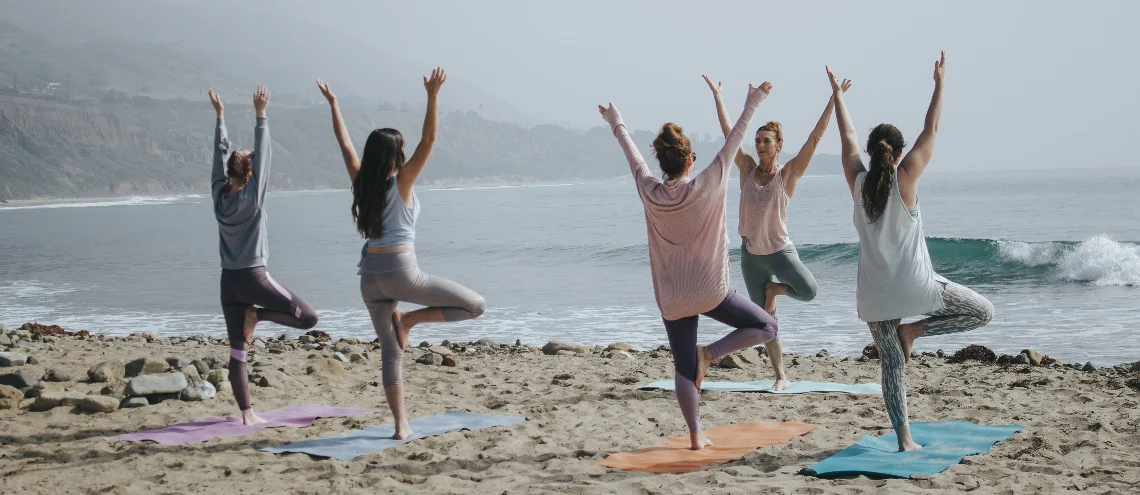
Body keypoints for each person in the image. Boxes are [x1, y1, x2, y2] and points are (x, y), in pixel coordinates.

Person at [598, 81, 778, 451]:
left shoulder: (648, 190)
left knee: (682, 369)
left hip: (673, 297)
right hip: (711, 290)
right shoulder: (708, 183)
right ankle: (710, 353)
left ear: (662, 163)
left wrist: (616, 121)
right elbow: (736, 139)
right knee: (767, 326)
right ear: (690, 160)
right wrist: (753, 101)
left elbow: (632, 156)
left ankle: (696, 437)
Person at [828, 53, 993, 451]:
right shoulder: (908, 177)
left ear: (870, 153)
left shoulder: (857, 182)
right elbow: (931, 127)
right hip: (917, 288)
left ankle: (905, 441)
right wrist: (939, 84)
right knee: (983, 312)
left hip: (874, 296)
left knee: (892, 366)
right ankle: (915, 329)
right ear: (898, 153)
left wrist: (838, 97)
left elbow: (846, 139)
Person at [316, 69, 485, 440]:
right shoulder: (402, 182)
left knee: (390, 354)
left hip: (368, 279)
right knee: (475, 306)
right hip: (401, 272)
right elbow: (430, 139)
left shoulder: (362, 183)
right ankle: (409, 320)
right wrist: (433, 95)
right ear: (397, 154)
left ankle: (400, 426)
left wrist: (334, 104)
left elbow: (344, 145)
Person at [702, 75, 850, 391]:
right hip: (752, 256)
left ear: (779, 145)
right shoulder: (745, 169)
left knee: (809, 290)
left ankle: (775, 290)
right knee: (766, 325)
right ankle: (781, 376)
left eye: (766, 140)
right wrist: (718, 96)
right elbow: (731, 134)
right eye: (757, 140)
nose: (759, 145)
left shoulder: (789, 174)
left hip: (781, 252)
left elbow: (815, 138)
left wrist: (833, 98)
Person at [209, 86, 319, 425]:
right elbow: (265, 151)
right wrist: (261, 114)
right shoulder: (253, 198)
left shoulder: (218, 195)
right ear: (251, 175)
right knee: (308, 318)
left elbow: (218, 155)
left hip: (229, 284)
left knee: (237, 352)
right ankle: (258, 317)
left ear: (229, 172)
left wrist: (220, 118)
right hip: (255, 278)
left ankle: (247, 414)